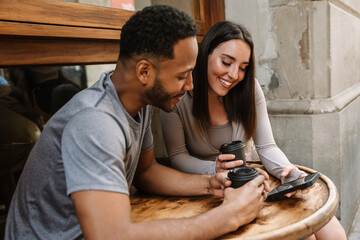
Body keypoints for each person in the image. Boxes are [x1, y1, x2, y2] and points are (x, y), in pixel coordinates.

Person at [5, 6, 270, 240]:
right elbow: (111, 235)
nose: (190, 85)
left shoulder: (137, 105)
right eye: (182, 76)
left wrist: (210, 183)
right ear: (144, 72)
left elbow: (146, 172)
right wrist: (229, 216)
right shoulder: (95, 122)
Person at [160, 21, 346, 240]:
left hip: (251, 179)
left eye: (242, 67)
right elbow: (177, 156)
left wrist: (288, 172)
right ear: (206, 53)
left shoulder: (248, 88)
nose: (233, 74)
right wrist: (214, 169)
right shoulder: (179, 94)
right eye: (226, 62)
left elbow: (266, 146)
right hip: (206, 191)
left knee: (333, 231)